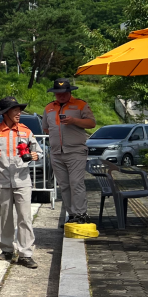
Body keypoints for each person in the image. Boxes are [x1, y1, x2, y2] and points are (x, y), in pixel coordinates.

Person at [0, 96, 43, 269]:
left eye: (19, 110)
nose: (19, 113)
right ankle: (7, 250)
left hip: (22, 181)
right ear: (6, 113)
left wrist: (36, 155)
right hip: (1, 180)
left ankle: (25, 254)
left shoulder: (26, 131)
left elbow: (39, 151)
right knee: (5, 217)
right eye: (15, 110)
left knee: (25, 217)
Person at [40, 78, 96, 224]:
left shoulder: (80, 105)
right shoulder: (49, 108)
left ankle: (81, 214)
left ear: (70, 92)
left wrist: (74, 121)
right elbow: (45, 127)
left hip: (76, 150)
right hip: (56, 152)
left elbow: (91, 123)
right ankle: (71, 214)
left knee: (76, 182)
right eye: (57, 93)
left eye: (64, 92)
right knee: (64, 185)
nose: (61, 96)